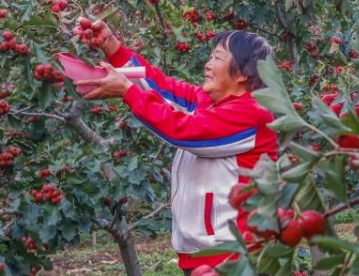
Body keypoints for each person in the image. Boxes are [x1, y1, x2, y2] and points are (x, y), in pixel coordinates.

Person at [72, 19, 278, 275]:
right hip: (201, 253)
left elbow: (185, 131)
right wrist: (112, 47)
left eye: (217, 58)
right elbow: (160, 87)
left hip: (234, 255)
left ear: (244, 72)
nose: (207, 64)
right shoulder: (208, 102)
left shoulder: (253, 114)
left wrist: (127, 91)